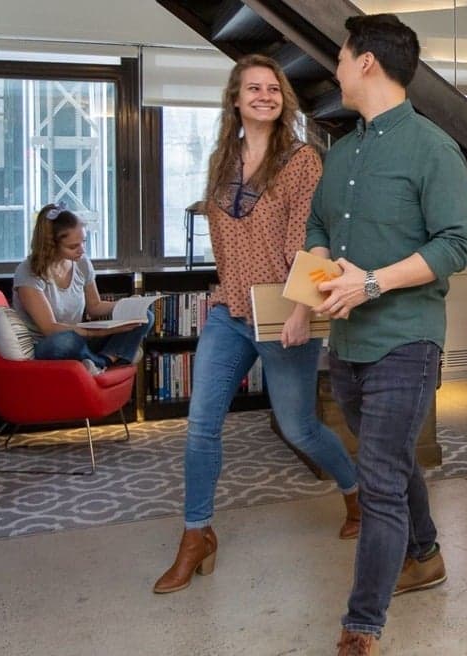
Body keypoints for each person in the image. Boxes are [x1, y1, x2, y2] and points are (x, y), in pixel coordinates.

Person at [306, 15, 467, 656]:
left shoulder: (435, 149)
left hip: (407, 337)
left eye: (341, 56)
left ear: (367, 62)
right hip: (347, 342)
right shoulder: (341, 153)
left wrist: (373, 282)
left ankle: (361, 637)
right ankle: (426, 554)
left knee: (377, 477)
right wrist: (316, 275)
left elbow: (456, 243)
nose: (336, 67)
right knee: (392, 458)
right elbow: (320, 226)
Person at [152, 55, 363, 595]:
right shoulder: (222, 159)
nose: (264, 95)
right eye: (253, 88)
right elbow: (224, 243)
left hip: (281, 311)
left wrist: (301, 310)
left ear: (283, 99)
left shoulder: (301, 161)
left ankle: (356, 492)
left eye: (273, 88)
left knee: (299, 427)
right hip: (229, 310)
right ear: (236, 98)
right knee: (201, 423)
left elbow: (311, 238)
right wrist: (227, 292)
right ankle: (196, 534)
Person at [12, 203, 151, 375]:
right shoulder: (28, 272)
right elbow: (49, 328)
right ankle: (106, 359)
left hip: (81, 337)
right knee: (66, 342)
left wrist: (126, 304)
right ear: (51, 245)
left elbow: (95, 306)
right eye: (73, 246)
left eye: (83, 242)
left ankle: (101, 361)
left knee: (145, 316)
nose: (82, 250)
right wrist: (94, 333)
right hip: (49, 343)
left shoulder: (82, 263)